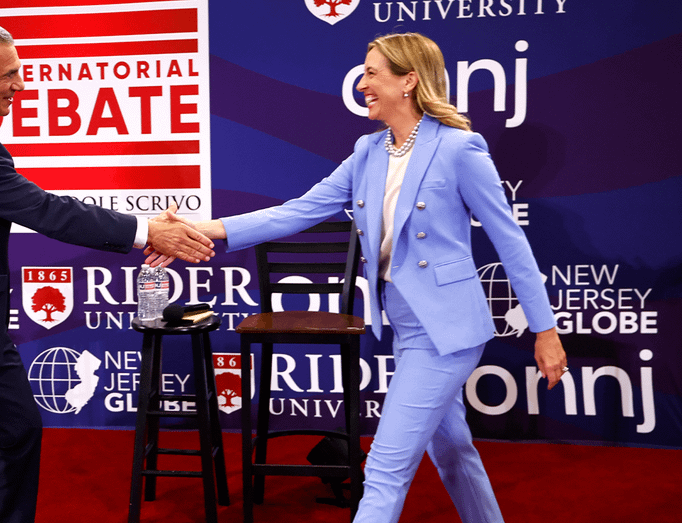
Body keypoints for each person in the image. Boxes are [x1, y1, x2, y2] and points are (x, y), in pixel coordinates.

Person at [166, 33, 567, 522]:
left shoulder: (459, 148)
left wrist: (545, 331)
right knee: (453, 451)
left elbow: (511, 243)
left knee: (383, 470)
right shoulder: (369, 151)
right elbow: (298, 211)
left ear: (409, 81)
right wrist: (200, 228)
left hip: (448, 332)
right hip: (406, 327)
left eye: (373, 73)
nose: (362, 84)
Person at [0, 18, 214, 523]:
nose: (20, 85)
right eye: (8, 74)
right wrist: (146, 230)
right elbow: (45, 210)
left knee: (20, 429)